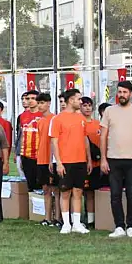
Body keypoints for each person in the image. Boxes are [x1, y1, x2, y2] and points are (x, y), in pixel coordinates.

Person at [100, 80, 132, 238]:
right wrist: (103, 160)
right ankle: (119, 226)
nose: (122, 95)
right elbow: (104, 137)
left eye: (125, 92)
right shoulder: (109, 111)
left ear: (131, 94)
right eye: (119, 92)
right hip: (113, 159)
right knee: (115, 194)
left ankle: (131, 226)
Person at [50, 89, 91, 234]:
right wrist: (59, 163)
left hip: (80, 160)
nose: (81, 102)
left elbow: (85, 139)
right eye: (78, 99)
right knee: (65, 192)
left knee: (78, 192)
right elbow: (54, 142)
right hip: (66, 161)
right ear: (71, 100)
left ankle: (77, 223)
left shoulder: (81, 118)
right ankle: (66, 223)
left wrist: (88, 159)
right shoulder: (57, 119)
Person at [36, 93, 60, 227]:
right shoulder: (40, 121)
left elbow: (54, 141)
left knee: (55, 189)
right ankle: (47, 218)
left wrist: (52, 158)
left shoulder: (54, 119)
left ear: (49, 103)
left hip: (52, 159)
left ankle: (57, 218)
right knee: (45, 189)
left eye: (42, 103)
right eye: (38, 103)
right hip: (41, 159)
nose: (40, 105)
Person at [80, 97, 102, 228]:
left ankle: (91, 219)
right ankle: (81, 217)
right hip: (82, 162)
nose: (87, 108)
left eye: (89, 105)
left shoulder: (98, 124)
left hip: (97, 163)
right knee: (81, 192)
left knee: (92, 192)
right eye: (84, 105)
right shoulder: (79, 123)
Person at [18, 90, 42, 192]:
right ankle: (30, 207)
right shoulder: (22, 116)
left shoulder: (43, 115)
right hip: (26, 155)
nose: (30, 101)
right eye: (28, 98)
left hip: (40, 155)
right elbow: (21, 135)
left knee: (41, 186)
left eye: (33, 98)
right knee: (29, 185)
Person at [15, 93, 29, 176]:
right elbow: (19, 135)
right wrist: (17, 151)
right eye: (22, 99)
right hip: (20, 151)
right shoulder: (20, 116)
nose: (24, 101)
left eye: (26, 99)